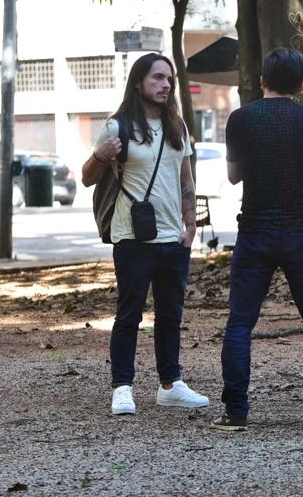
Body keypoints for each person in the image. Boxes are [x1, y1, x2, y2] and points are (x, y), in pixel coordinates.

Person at [212, 47, 303, 432]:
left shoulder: (240, 119)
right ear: (302, 84)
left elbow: (235, 176)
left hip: (254, 231)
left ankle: (235, 411)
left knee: (240, 323)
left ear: (262, 81)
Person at [81, 53, 208, 416]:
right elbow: (89, 177)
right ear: (139, 82)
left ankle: (171, 384)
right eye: (157, 78)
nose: (166, 84)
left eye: (169, 78)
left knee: (171, 313)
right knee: (129, 314)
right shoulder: (117, 127)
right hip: (132, 238)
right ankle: (122, 387)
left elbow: (186, 179)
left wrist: (190, 224)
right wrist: (100, 155)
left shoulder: (178, 128)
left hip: (173, 238)